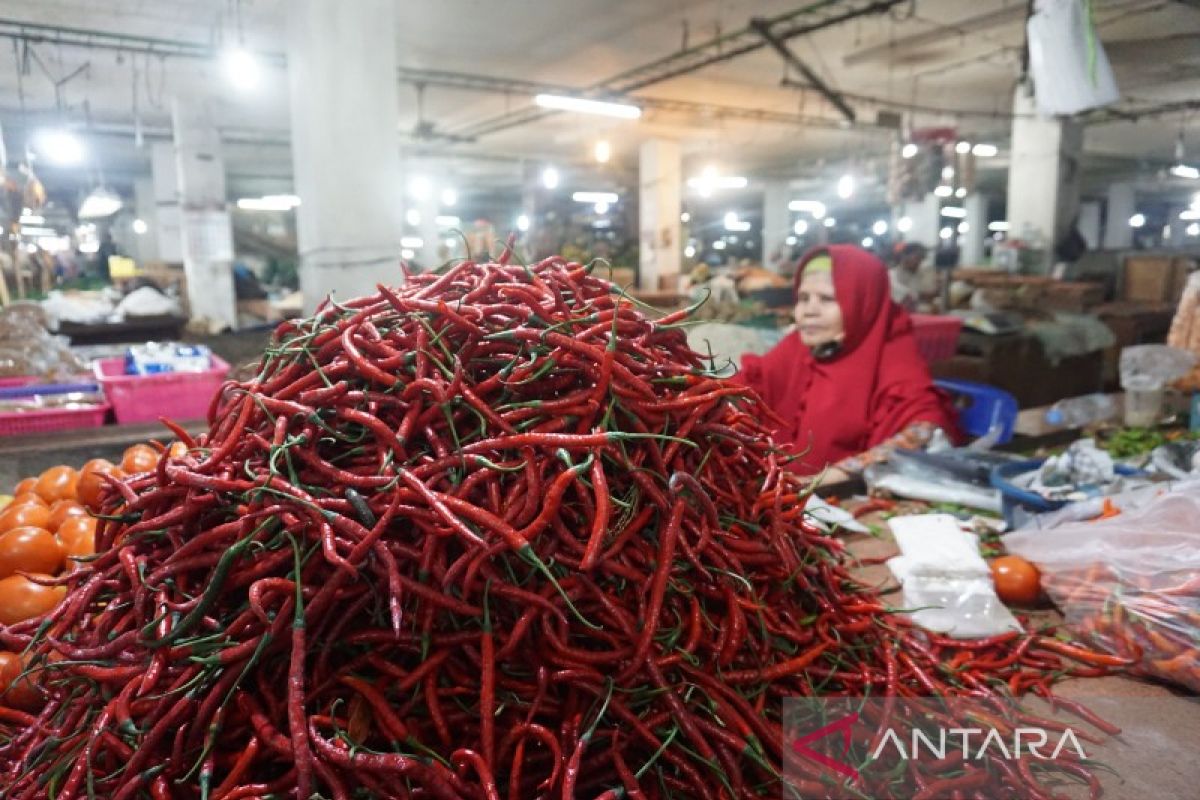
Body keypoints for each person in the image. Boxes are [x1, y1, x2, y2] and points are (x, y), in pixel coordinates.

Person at [739, 245, 959, 481]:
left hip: (841, 500)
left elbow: (925, 430)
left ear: (862, 302)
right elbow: (748, 385)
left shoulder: (893, 355)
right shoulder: (798, 347)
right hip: (784, 491)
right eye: (803, 298)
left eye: (827, 299)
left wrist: (825, 479)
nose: (808, 311)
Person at [889, 242, 934, 311]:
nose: (918, 262)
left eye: (921, 259)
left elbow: (928, 295)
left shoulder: (920, 276)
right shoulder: (890, 276)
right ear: (904, 256)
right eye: (917, 258)